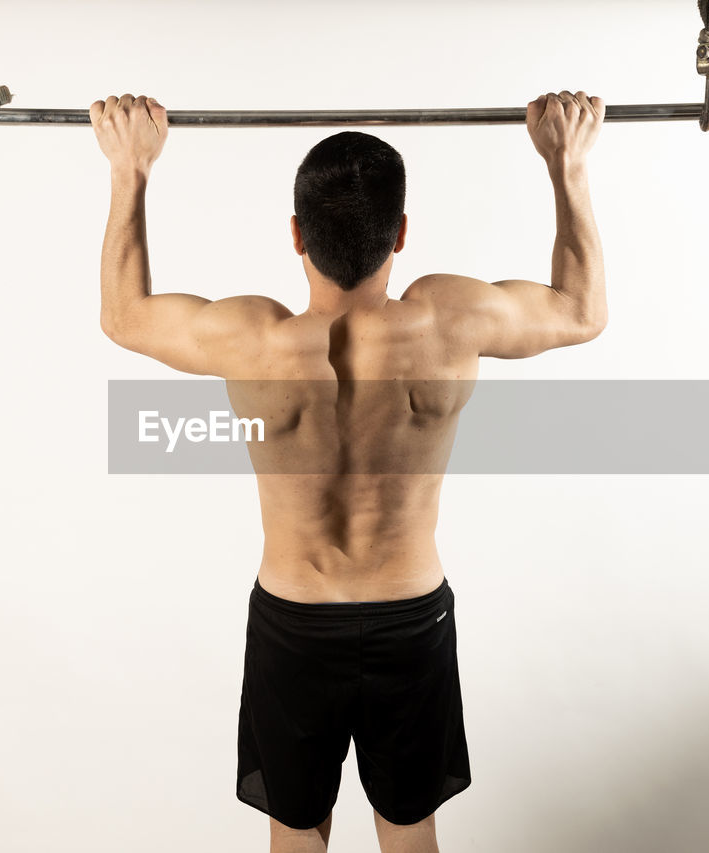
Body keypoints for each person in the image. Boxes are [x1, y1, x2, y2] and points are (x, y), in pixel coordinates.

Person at [91, 90, 606, 853]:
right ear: (401, 234)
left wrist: (130, 170)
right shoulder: (447, 321)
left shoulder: (252, 338)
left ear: (296, 236)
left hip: (295, 622)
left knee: (297, 837)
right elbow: (579, 310)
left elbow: (125, 317)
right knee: (409, 833)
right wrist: (567, 164)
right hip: (410, 618)